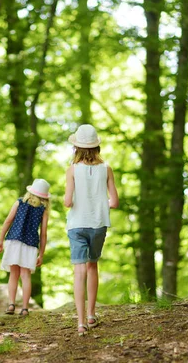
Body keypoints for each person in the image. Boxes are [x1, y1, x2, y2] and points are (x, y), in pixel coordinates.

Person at [63, 124, 119, 336]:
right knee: (92, 266)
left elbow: (68, 202)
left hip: (77, 224)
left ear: (76, 147)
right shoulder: (106, 170)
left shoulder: (72, 170)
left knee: (79, 271)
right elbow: (114, 202)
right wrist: (100, 202)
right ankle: (92, 314)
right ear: (97, 147)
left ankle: (80, 322)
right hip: (98, 223)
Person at [0, 179, 50, 316]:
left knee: (13, 275)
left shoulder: (19, 202)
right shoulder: (43, 210)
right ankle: (25, 308)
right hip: (31, 244)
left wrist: (1, 239)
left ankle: (11, 304)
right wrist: (41, 254)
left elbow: (8, 220)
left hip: (14, 240)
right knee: (25, 276)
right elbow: (43, 234)